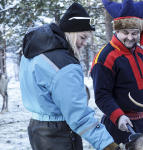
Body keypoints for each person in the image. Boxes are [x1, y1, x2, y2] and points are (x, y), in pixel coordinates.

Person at [19, 2, 120, 150]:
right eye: (83, 37)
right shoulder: (65, 65)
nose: (85, 43)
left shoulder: (34, 51)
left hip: (37, 130)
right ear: (71, 32)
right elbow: (79, 116)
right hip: (59, 135)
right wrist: (109, 146)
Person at [90, 0, 143, 144]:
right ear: (117, 31)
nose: (130, 37)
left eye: (134, 33)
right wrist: (118, 116)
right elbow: (102, 95)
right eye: (125, 32)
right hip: (119, 126)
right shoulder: (105, 57)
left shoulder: (141, 54)